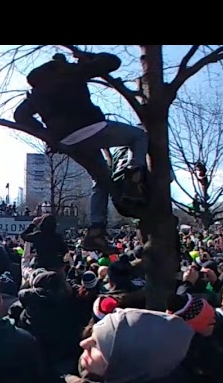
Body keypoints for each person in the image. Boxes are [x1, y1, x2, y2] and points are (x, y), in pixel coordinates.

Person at [13, 51, 149, 252]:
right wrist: (87, 58)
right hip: (92, 127)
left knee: (101, 180)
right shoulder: (73, 72)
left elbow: (19, 115)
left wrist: (48, 135)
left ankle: (96, 230)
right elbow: (113, 62)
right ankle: (134, 172)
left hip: (68, 141)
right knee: (138, 136)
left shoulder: (38, 91)